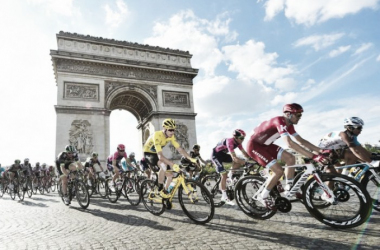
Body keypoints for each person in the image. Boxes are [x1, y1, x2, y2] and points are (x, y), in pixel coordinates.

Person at [246, 103, 330, 210]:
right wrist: (313, 156)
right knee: (278, 171)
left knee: (291, 158)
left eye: (300, 115)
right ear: (289, 114)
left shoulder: (289, 125)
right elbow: (289, 143)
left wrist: (320, 151)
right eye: (298, 115)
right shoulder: (279, 121)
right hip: (254, 146)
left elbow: (301, 141)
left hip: (266, 145)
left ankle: (289, 187)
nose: (300, 118)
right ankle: (263, 196)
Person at [142, 118, 197, 198]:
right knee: (163, 165)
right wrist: (173, 164)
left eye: (174, 130)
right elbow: (160, 156)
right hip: (149, 154)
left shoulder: (171, 136)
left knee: (170, 175)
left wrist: (190, 158)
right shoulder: (157, 135)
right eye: (170, 130)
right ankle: (160, 186)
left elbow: (180, 149)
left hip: (157, 154)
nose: (172, 132)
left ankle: (164, 191)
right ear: (164, 128)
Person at [211, 129, 251, 205]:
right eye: (242, 138)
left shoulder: (238, 143)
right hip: (215, 156)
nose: (243, 140)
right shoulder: (230, 141)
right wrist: (246, 163)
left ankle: (229, 176)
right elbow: (234, 158)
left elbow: (245, 153)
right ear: (235, 137)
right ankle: (224, 196)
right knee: (223, 174)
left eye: (244, 138)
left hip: (223, 155)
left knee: (240, 160)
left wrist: (252, 159)